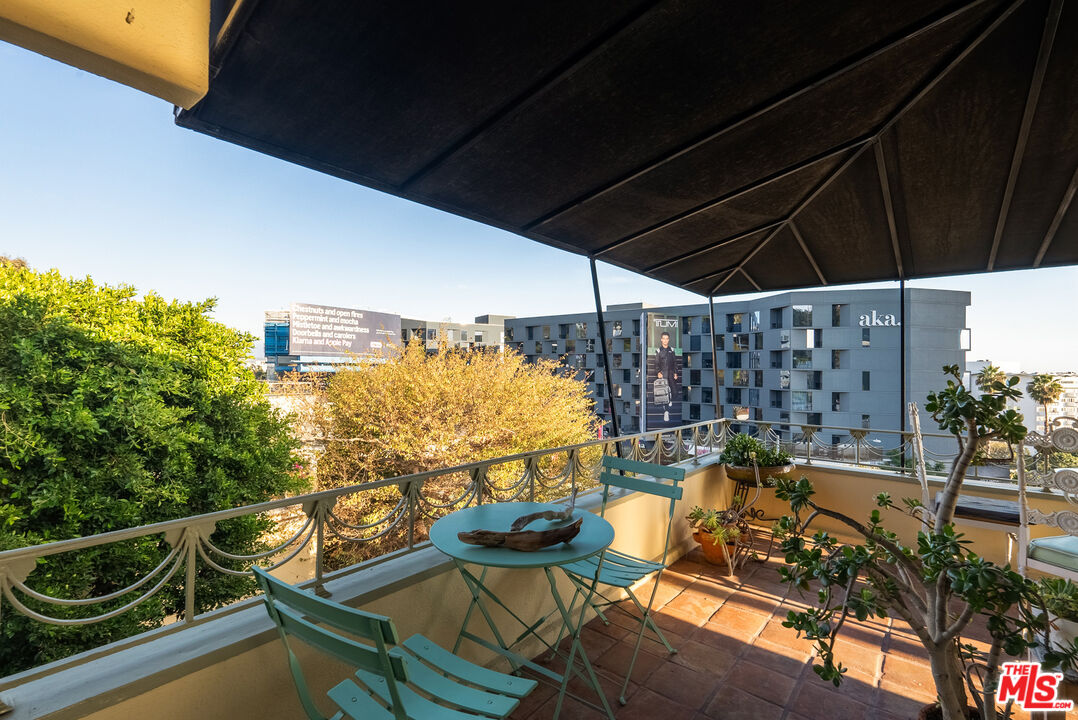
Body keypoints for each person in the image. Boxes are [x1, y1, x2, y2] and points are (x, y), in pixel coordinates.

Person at [654, 331, 679, 422]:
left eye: (667, 339)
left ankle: (670, 400)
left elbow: (675, 363)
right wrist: (658, 372)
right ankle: (666, 412)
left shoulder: (671, 350)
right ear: (661, 339)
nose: (665, 340)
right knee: (664, 395)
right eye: (663, 338)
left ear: (668, 340)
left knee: (675, 393)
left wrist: (676, 372)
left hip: (671, 374)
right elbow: (656, 364)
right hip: (663, 375)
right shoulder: (658, 351)